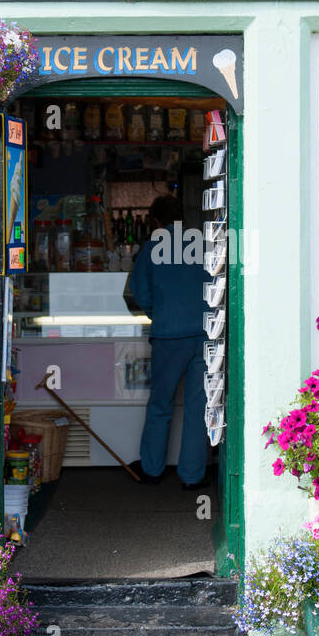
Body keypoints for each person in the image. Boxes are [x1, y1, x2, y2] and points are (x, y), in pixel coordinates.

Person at [128, 195, 209, 490]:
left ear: (156, 221)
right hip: (203, 334)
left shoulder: (151, 247)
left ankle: (151, 469)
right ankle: (193, 475)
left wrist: (158, 314)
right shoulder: (203, 243)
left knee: (161, 405)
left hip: (168, 336)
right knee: (198, 407)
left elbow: (140, 292)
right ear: (182, 218)